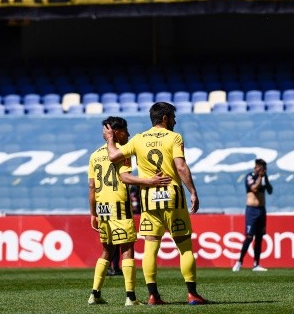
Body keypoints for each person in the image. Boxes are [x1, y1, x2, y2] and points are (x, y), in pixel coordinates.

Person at [103, 101, 207, 306]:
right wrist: (193, 192)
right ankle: (192, 294)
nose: (175, 122)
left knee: (150, 248)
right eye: (173, 118)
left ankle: (153, 296)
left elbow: (113, 155)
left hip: (149, 199)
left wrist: (109, 139)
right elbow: (181, 167)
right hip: (173, 197)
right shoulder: (174, 137)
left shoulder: (138, 139)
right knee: (184, 247)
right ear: (165, 118)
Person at [88, 116, 171, 306]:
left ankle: (95, 294)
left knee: (107, 251)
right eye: (126, 131)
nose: (129, 134)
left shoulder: (94, 155)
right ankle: (131, 297)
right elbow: (125, 178)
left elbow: (92, 187)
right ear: (117, 133)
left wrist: (93, 213)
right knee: (127, 250)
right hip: (119, 207)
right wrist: (149, 181)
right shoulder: (121, 152)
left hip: (102, 208)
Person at [232, 158, 273, 272]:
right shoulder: (250, 176)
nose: (263, 170)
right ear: (256, 167)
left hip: (262, 210)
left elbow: (270, 191)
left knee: (259, 237)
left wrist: (265, 178)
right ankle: (239, 262)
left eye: (265, 168)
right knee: (249, 237)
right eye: (262, 167)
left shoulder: (264, 177)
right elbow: (254, 188)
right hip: (252, 210)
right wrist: (260, 177)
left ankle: (256, 264)